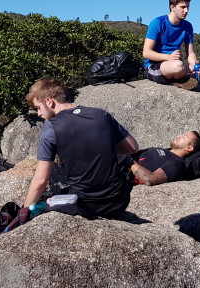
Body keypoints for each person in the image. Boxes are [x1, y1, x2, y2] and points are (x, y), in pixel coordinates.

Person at [20, 77, 139, 220]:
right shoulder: (100, 114)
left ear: (49, 101)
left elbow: (41, 180)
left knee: (46, 201)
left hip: (88, 205)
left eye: (38, 108)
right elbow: (132, 147)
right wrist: (101, 147)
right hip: (119, 200)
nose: (39, 114)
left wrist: (25, 211)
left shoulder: (51, 128)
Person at [143, 0, 200, 89]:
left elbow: (191, 53)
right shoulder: (158, 22)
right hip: (155, 66)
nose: (186, 11)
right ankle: (187, 79)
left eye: (188, 7)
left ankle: (187, 79)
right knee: (178, 66)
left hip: (177, 66)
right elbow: (146, 53)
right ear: (173, 7)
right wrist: (168, 57)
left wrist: (196, 66)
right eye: (183, 7)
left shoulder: (187, 26)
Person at [129, 131, 200, 186]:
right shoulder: (164, 150)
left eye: (184, 136)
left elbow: (150, 179)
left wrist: (128, 161)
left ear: (189, 148)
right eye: (182, 134)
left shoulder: (176, 163)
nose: (179, 135)